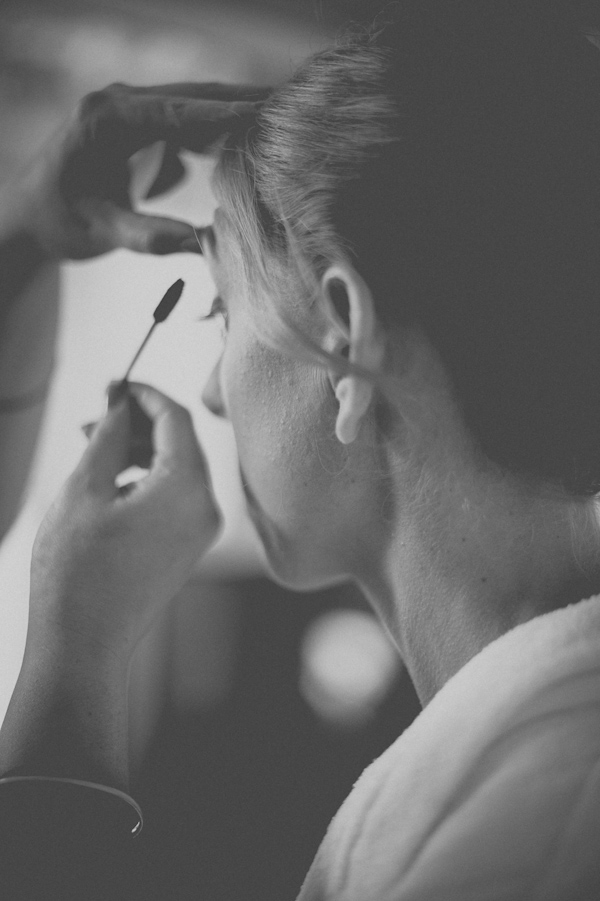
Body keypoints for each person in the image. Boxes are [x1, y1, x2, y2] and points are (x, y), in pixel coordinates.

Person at [1, 2, 600, 897]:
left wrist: (72, 659)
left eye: (221, 309)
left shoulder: (535, 825)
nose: (209, 390)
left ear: (345, 336)